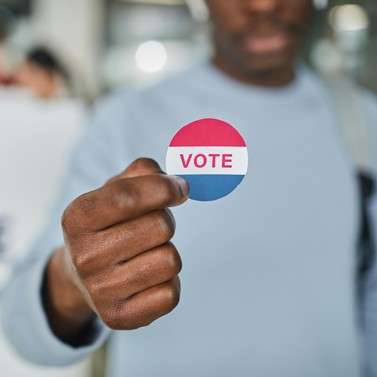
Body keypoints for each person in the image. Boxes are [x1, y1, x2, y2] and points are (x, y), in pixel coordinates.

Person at [2, 1, 377, 376]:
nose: (264, 5)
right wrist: (71, 281)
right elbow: (21, 328)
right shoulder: (125, 119)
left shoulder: (364, 121)